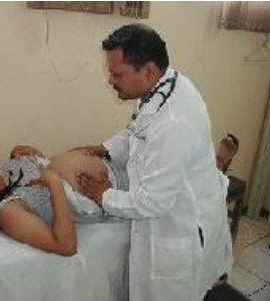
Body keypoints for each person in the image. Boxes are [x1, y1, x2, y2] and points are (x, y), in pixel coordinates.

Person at [74, 24, 233, 301]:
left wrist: (103, 196)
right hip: (172, 199)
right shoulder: (162, 88)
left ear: (147, 71)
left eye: (116, 73)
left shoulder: (175, 122)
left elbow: (153, 202)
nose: (110, 80)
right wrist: (105, 149)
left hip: (180, 234)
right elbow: (138, 130)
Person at [0, 145, 117, 256]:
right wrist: (54, 183)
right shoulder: (7, 213)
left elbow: (40, 171)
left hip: (111, 159)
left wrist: (32, 153)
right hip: (114, 191)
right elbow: (65, 246)